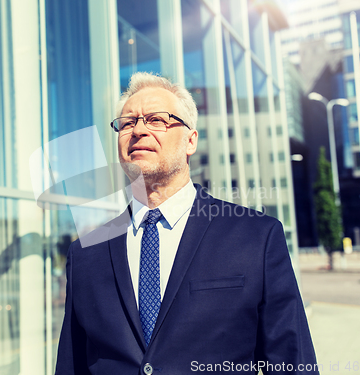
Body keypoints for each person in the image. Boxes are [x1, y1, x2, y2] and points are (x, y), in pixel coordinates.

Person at [55, 72, 319, 375]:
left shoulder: (256, 238)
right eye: (127, 123)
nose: (138, 130)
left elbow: (293, 364)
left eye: (157, 120)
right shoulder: (86, 252)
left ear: (190, 140)